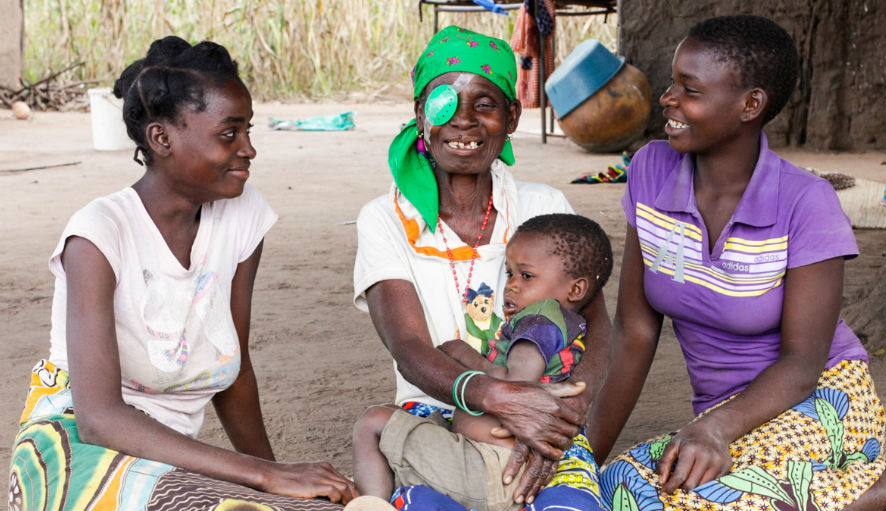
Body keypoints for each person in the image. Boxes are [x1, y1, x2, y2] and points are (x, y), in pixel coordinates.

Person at [7, 36, 357, 511]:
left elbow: (234, 370)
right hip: (74, 451)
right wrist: (264, 475)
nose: (249, 149)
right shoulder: (98, 235)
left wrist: (286, 485)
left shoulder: (243, 213)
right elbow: (100, 420)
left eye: (249, 131)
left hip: (164, 458)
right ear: (162, 138)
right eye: (229, 133)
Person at [590, 15, 886, 511]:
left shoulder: (806, 203)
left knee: (702, 502)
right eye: (673, 82)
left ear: (750, 105)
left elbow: (802, 364)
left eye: (689, 89)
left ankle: (885, 487)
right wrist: (583, 465)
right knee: (616, 492)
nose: (668, 98)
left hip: (821, 399)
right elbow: (635, 332)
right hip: (723, 414)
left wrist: (712, 429)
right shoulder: (649, 171)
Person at [352, 26, 613, 510]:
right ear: (419, 115)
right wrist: (499, 397)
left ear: (512, 116)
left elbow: (595, 318)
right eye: (444, 103)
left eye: (485, 105)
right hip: (437, 411)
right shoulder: (386, 219)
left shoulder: (544, 207)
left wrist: (573, 405)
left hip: (542, 412)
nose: (464, 121)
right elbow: (408, 346)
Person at [353, 213, 613, 511]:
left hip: (493, 468)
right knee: (400, 421)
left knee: (373, 423)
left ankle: (372, 505)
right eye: (510, 273)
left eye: (526, 276)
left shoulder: (538, 319)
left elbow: (516, 389)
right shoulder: (563, 326)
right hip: (504, 468)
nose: (511, 286)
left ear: (576, 290)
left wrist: (461, 353)